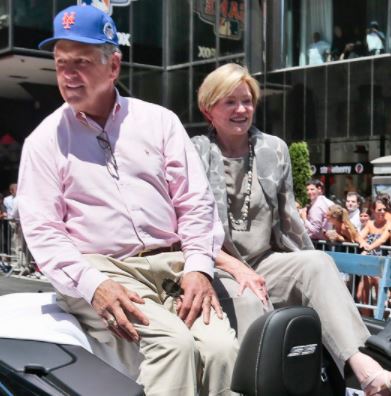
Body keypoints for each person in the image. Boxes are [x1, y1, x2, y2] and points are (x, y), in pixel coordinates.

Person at [17, 5, 238, 396]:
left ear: (113, 65)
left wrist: (199, 268)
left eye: (81, 62)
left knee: (222, 351)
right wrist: (93, 284)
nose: (68, 74)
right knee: (173, 346)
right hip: (102, 268)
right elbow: (44, 233)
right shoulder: (44, 141)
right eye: (61, 62)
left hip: (172, 264)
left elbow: (196, 203)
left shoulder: (160, 122)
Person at [191, 63, 391, 396]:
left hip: (267, 260)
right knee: (250, 299)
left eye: (247, 101)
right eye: (230, 102)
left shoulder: (274, 149)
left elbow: (290, 222)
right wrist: (235, 268)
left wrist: (322, 281)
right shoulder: (193, 151)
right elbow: (188, 227)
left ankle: (364, 369)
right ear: (208, 108)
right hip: (218, 265)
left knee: (318, 264)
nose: (241, 109)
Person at [357, 198, 391, 318]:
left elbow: (382, 239)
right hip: (369, 264)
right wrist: (362, 242)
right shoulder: (370, 223)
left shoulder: (389, 223)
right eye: (379, 209)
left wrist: (367, 248)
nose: (382, 212)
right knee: (362, 296)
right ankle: (368, 324)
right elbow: (359, 236)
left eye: (384, 209)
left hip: (383, 265)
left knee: (380, 297)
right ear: (373, 210)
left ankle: (382, 323)